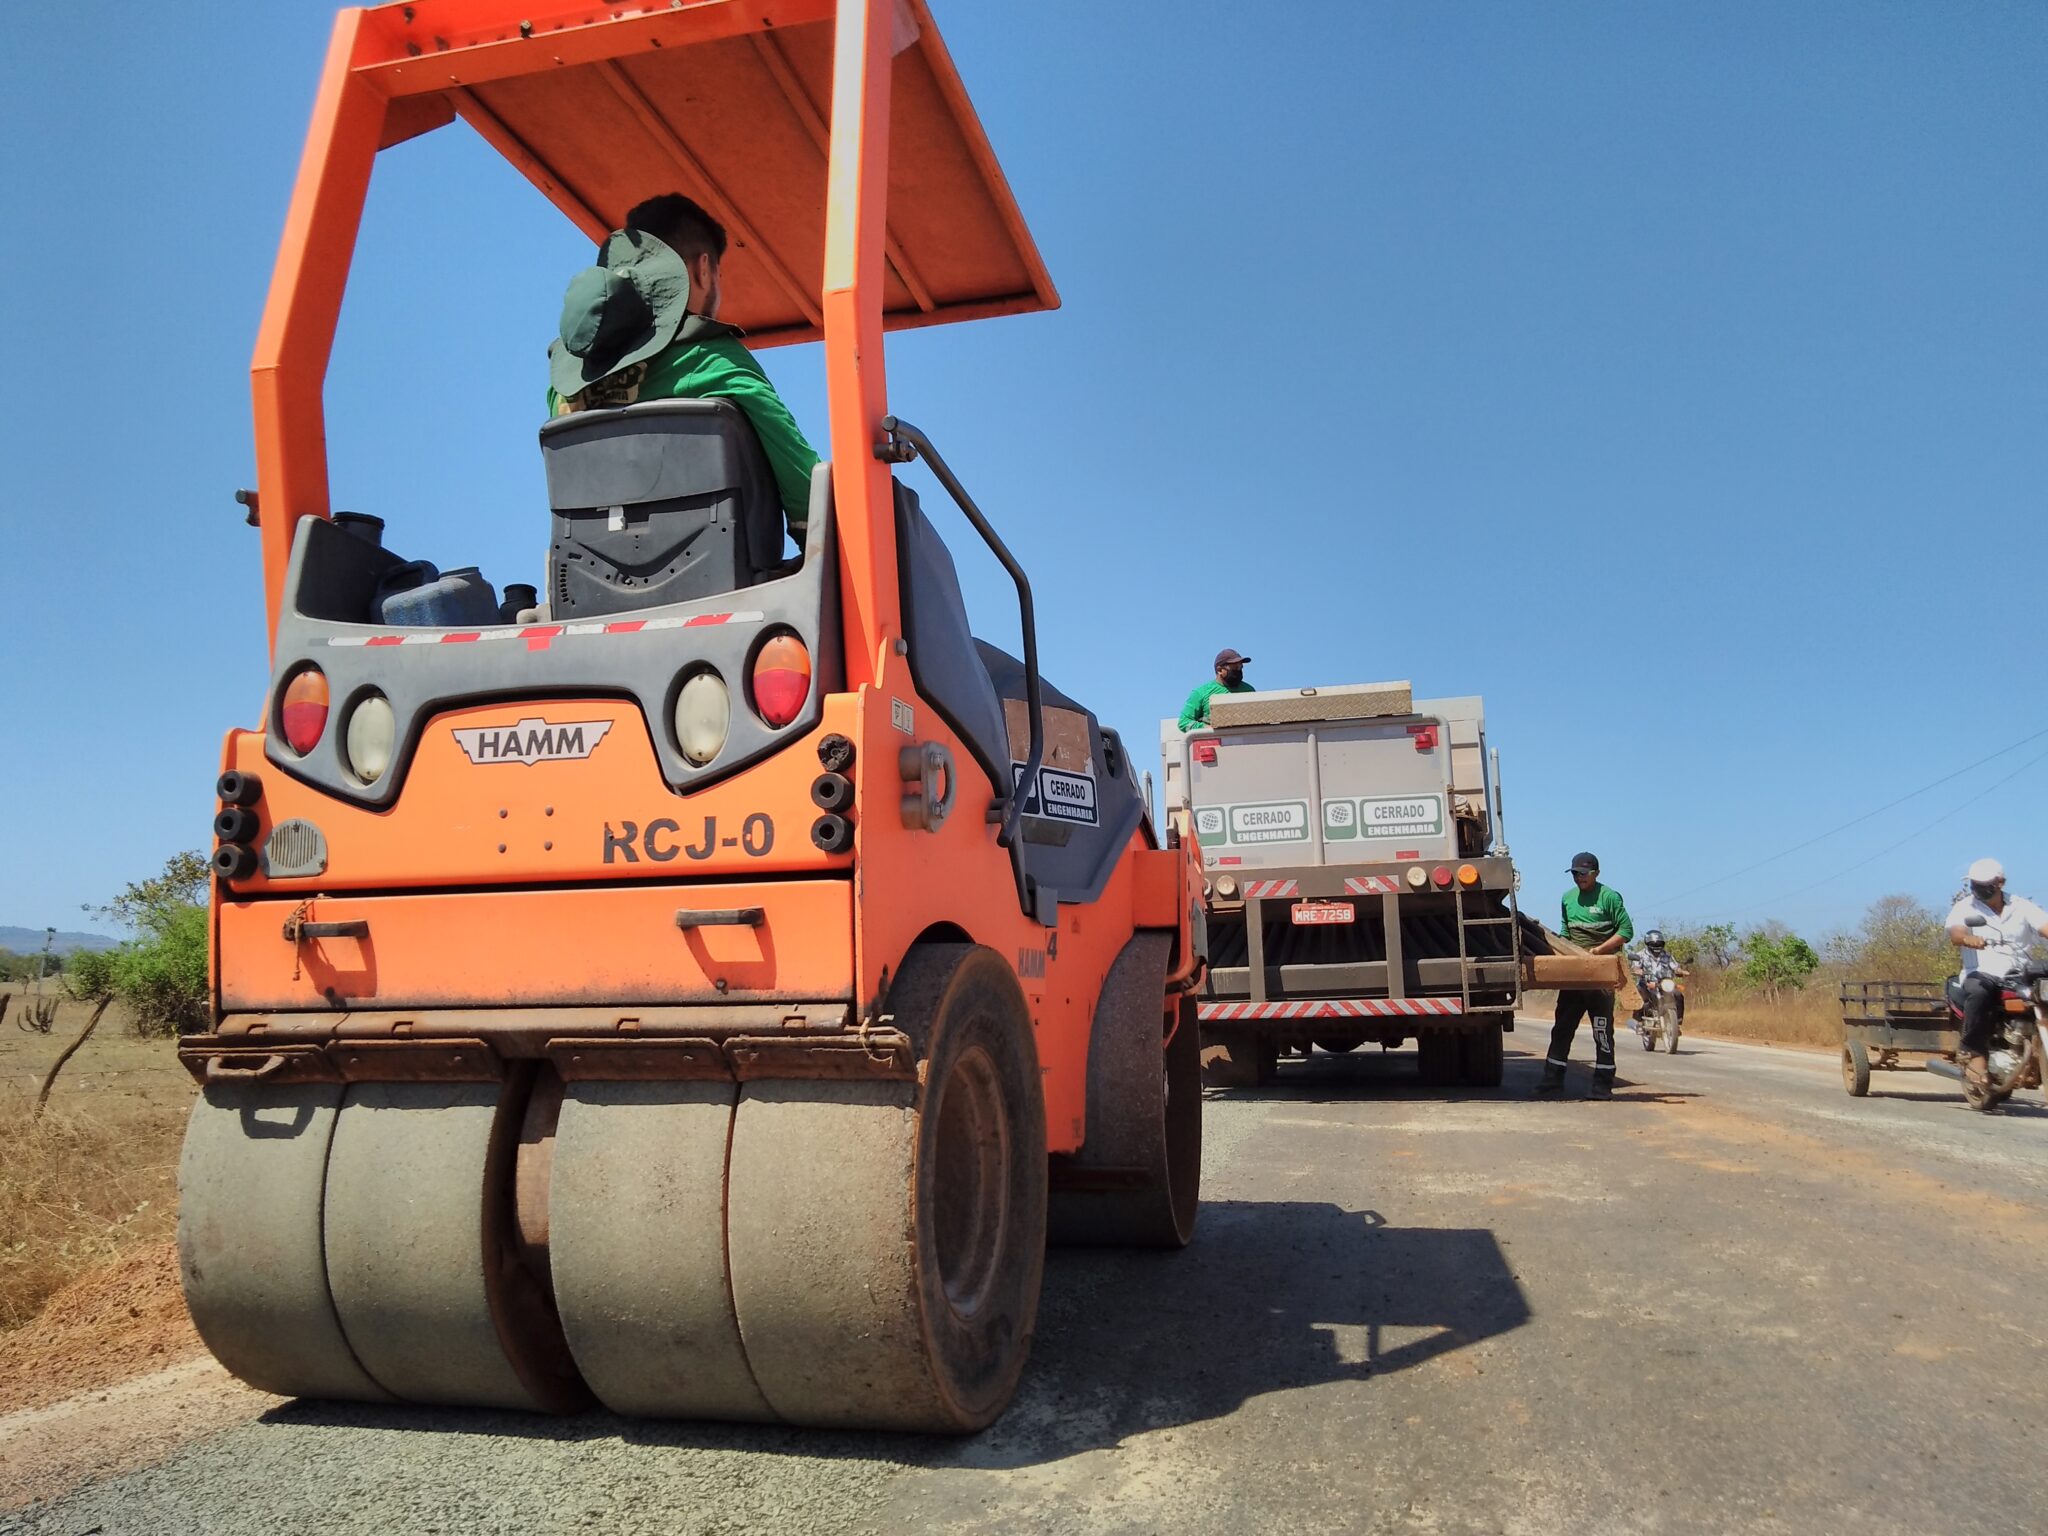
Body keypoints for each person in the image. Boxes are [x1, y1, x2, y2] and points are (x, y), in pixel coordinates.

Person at [547, 193, 821, 551]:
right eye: (718, 276)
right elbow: (805, 485)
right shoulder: (712, 359)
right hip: (722, 579)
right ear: (703, 269)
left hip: (596, 582)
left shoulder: (564, 385)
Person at [1945, 858, 2048, 1101]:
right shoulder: (1965, 906)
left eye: (1983, 884)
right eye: (1974, 884)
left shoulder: (2021, 906)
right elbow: (1955, 931)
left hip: (2019, 975)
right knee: (1979, 992)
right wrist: (1967, 939)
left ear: (2000, 883)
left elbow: (2044, 925)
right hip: (1981, 973)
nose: (1977, 889)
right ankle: (1972, 1051)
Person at [1537, 851, 1634, 1098]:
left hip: (1601, 975)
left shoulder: (1609, 897)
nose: (1578, 878)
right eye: (1575, 874)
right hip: (1575, 976)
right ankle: (1552, 1083)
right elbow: (1565, 932)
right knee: (1562, 1029)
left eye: (1583, 874)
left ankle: (1602, 1085)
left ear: (1596, 874)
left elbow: (1626, 930)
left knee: (1602, 1031)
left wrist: (1600, 950)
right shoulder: (1567, 899)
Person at [1178, 649, 1255, 731]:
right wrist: (1208, 730)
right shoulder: (1201, 693)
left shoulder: (1249, 690)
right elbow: (1184, 722)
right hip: (1214, 742)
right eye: (1235, 668)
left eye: (1240, 668)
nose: (1239, 671)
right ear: (1219, 670)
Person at [1628, 928, 1686, 1027]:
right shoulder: (1640, 955)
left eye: (1659, 944)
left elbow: (1675, 967)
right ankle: (1639, 1021)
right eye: (1654, 944)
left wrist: (1681, 971)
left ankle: (1677, 1022)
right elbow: (1635, 968)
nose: (1657, 946)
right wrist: (1640, 972)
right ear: (1648, 943)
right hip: (1646, 983)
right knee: (1641, 997)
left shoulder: (1667, 955)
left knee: (1678, 995)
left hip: (1663, 983)